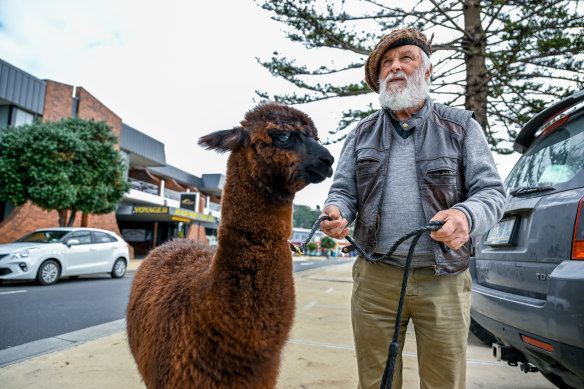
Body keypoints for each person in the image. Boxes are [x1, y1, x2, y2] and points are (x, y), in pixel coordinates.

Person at [319, 27, 506, 389]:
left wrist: (465, 215)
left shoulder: (462, 126)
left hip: (444, 281)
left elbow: (492, 193)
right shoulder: (360, 133)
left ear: (428, 71)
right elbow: (342, 191)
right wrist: (336, 211)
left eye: (406, 58)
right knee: (376, 383)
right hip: (375, 279)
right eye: (386, 63)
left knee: (444, 383)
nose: (395, 67)